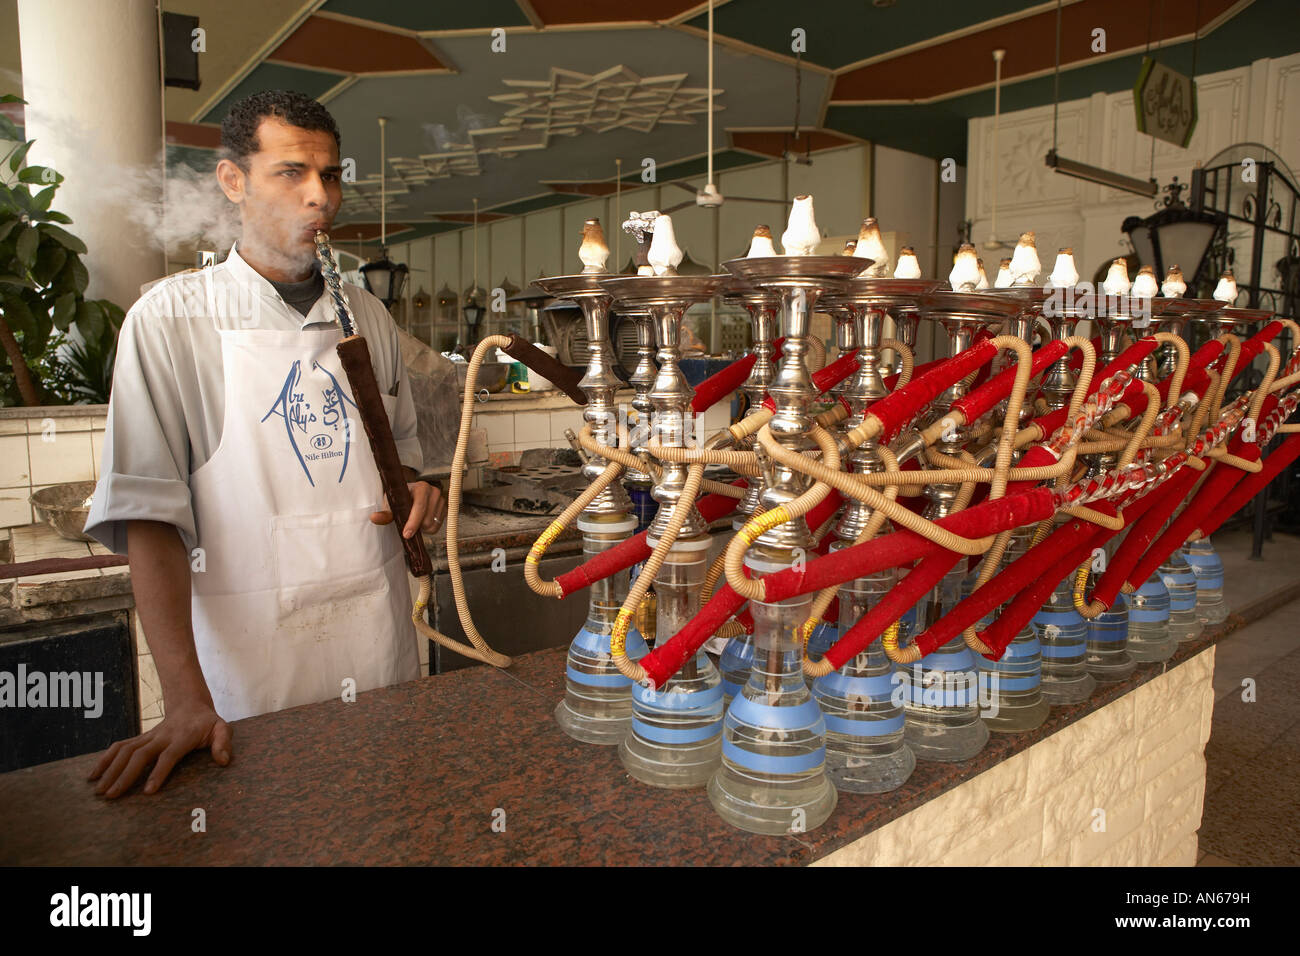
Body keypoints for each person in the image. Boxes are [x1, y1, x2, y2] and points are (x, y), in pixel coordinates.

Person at [83, 91, 442, 798]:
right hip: (253, 676)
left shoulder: (366, 312)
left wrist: (417, 488)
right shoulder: (170, 321)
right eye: (292, 173)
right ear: (232, 182)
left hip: (378, 655)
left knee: (390, 817)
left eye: (332, 176)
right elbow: (151, 520)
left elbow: (401, 457)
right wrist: (186, 700)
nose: (322, 198)